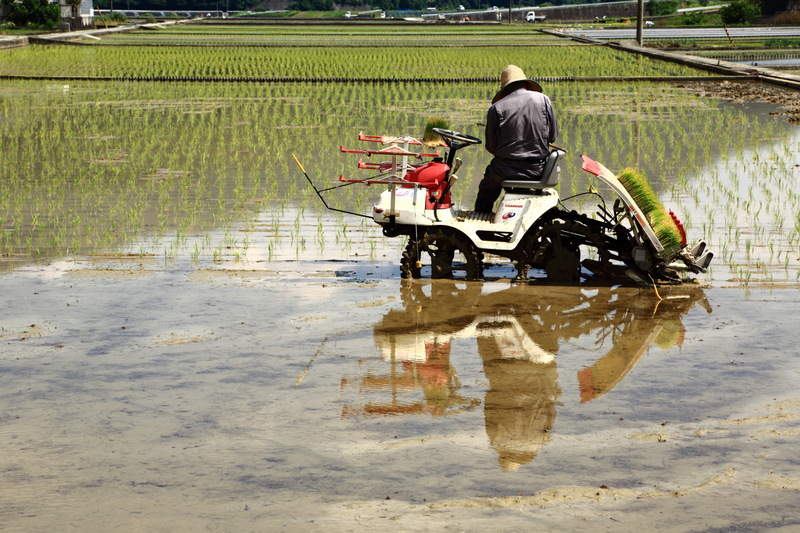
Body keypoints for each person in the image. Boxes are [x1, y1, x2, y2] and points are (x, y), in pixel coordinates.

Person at [474, 65, 559, 213]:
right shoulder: (544, 100)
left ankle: (482, 220)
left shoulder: (497, 108)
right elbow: (552, 136)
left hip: (504, 169)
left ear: (505, 89)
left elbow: (491, 147)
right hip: (537, 169)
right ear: (526, 84)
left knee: (486, 190)